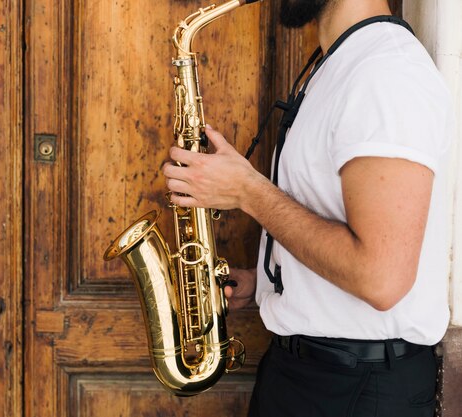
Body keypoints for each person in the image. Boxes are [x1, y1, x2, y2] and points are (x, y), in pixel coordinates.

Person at [162, 0, 453, 416]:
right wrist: (264, 284)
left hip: (356, 391)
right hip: (305, 374)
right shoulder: (335, 64)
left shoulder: (386, 75)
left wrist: (248, 192)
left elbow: (381, 278)